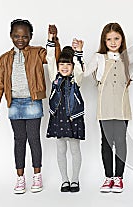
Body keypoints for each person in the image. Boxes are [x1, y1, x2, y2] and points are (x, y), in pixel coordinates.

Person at [0, 19, 60, 194]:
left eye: (25, 36)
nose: (20, 39)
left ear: (31, 37)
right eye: (16, 36)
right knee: (19, 140)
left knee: (34, 139)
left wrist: (54, 40)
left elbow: (53, 58)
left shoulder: (37, 53)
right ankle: (20, 178)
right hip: (14, 104)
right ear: (11, 36)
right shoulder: (5, 58)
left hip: (33, 101)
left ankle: (37, 175)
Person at [84, 22, 131, 193]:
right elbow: (84, 73)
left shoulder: (126, 57)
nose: (113, 42)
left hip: (122, 108)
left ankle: (119, 178)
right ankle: (108, 177)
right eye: (109, 39)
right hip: (104, 108)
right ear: (104, 41)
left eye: (116, 38)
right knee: (106, 143)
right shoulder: (98, 57)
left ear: (122, 39)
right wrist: (77, 53)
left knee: (121, 142)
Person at [46, 29, 85, 193]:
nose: (64, 67)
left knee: (75, 150)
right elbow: (50, 58)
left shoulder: (77, 79)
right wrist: (50, 40)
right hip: (58, 117)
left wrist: (78, 53)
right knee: (61, 149)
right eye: (62, 63)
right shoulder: (54, 77)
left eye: (68, 64)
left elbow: (79, 69)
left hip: (73, 117)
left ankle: (75, 180)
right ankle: (64, 180)